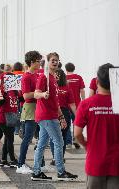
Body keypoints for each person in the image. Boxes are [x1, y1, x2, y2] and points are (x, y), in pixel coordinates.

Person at [74, 63, 119, 189]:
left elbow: (77, 133)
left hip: (95, 161)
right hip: (118, 161)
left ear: (97, 81)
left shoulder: (86, 104)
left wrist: (86, 145)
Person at [31, 52, 78, 181]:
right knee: (59, 142)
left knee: (42, 144)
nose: (55, 62)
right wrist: (42, 95)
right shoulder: (43, 78)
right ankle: (61, 172)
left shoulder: (53, 79)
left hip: (51, 115)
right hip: (46, 115)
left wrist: (61, 117)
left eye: (57, 60)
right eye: (52, 60)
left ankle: (36, 172)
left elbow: (56, 102)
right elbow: (36, 94)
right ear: (47, 62)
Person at [16, 51, 41, 174]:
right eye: (38, 61)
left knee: (41, 138)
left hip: (39, 107)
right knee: (28, 138)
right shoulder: (26, 76)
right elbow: (26, 95)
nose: (40, 63)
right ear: (32, 62)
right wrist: (39, 93)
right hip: (30, 108)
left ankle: (40, 164)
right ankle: (20, 164)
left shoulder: (37, 75)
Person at [49, 69, 76, 165]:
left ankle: (58, 157)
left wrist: (77, 116)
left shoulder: (65, 88)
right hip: (57, 112)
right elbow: (72, 104)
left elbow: (72, 103)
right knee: (57, 137)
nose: (57, 77)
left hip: (60, 113)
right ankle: (57, 157)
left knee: (59, 137)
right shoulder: (53, 87)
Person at [0, 64, 18, 168]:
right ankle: (13, 160)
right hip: (4, 117)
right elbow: (0, 101)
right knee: (10, 139)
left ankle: (3, 159)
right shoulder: (3, 91)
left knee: (7, 139)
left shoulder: (14, 91)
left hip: (12, 116)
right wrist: (2, 91)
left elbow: (22, 98)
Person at [65, 62, 85, 149]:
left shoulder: (64, 78)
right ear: (74, 68)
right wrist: (83, 101)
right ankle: (76, 140)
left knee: (67, 123)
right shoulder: (78, 77)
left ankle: (68, 142)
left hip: (66, 104)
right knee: (76, 122)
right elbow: (82, 90)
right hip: (77, 104)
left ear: (66, 69)